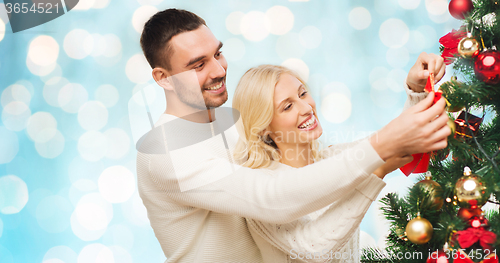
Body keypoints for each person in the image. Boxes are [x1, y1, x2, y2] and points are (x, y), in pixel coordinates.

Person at [135, 8, 450, 262]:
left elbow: (325, 160)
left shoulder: (231, 123)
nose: (218, 71)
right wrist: (382, 148)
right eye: (198, 64)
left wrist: (417, 95)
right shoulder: (165, 153)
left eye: (217, 54)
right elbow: (273, 198)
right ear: (163, 78)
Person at [232, 64, 422, 263]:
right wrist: (377, 173)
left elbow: (395, 139)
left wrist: (416, 90)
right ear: (262, 127)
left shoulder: (333, 159)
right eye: (288, 106)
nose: (306, 108)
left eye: (303, 94)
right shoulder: (261, 191)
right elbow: (314, 249)